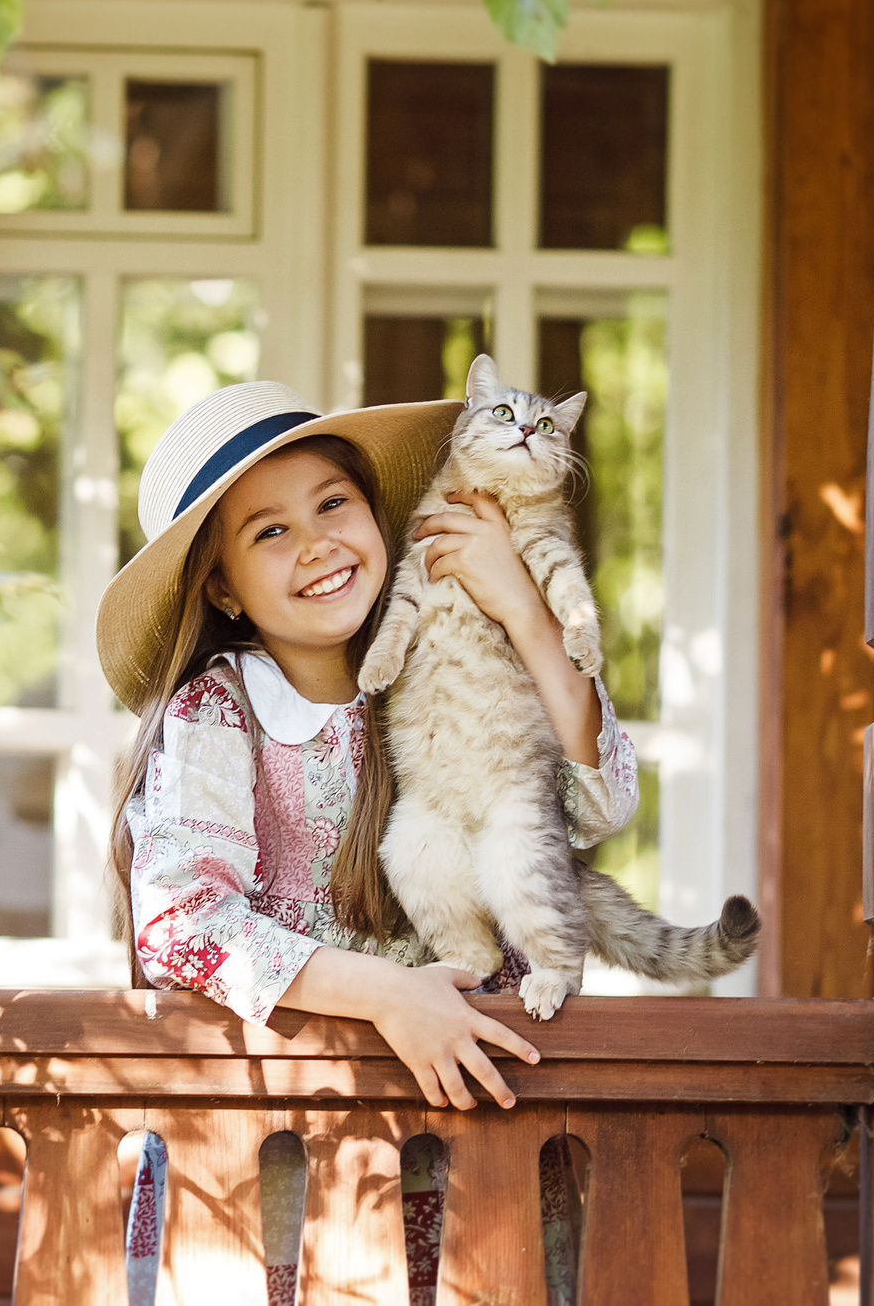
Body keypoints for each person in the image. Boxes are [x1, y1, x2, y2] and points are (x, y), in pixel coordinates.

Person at [99, 380, 642, 1110]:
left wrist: (521, 605)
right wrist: (390, 994)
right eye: (270, 531)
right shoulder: (221, 709)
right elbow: (179, 920)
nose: (318, 543)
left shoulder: (444, 651)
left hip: (492, 1105)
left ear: (375, 515)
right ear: (223, 587)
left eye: (332, 503)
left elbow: (598, 802)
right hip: (307, 1120)